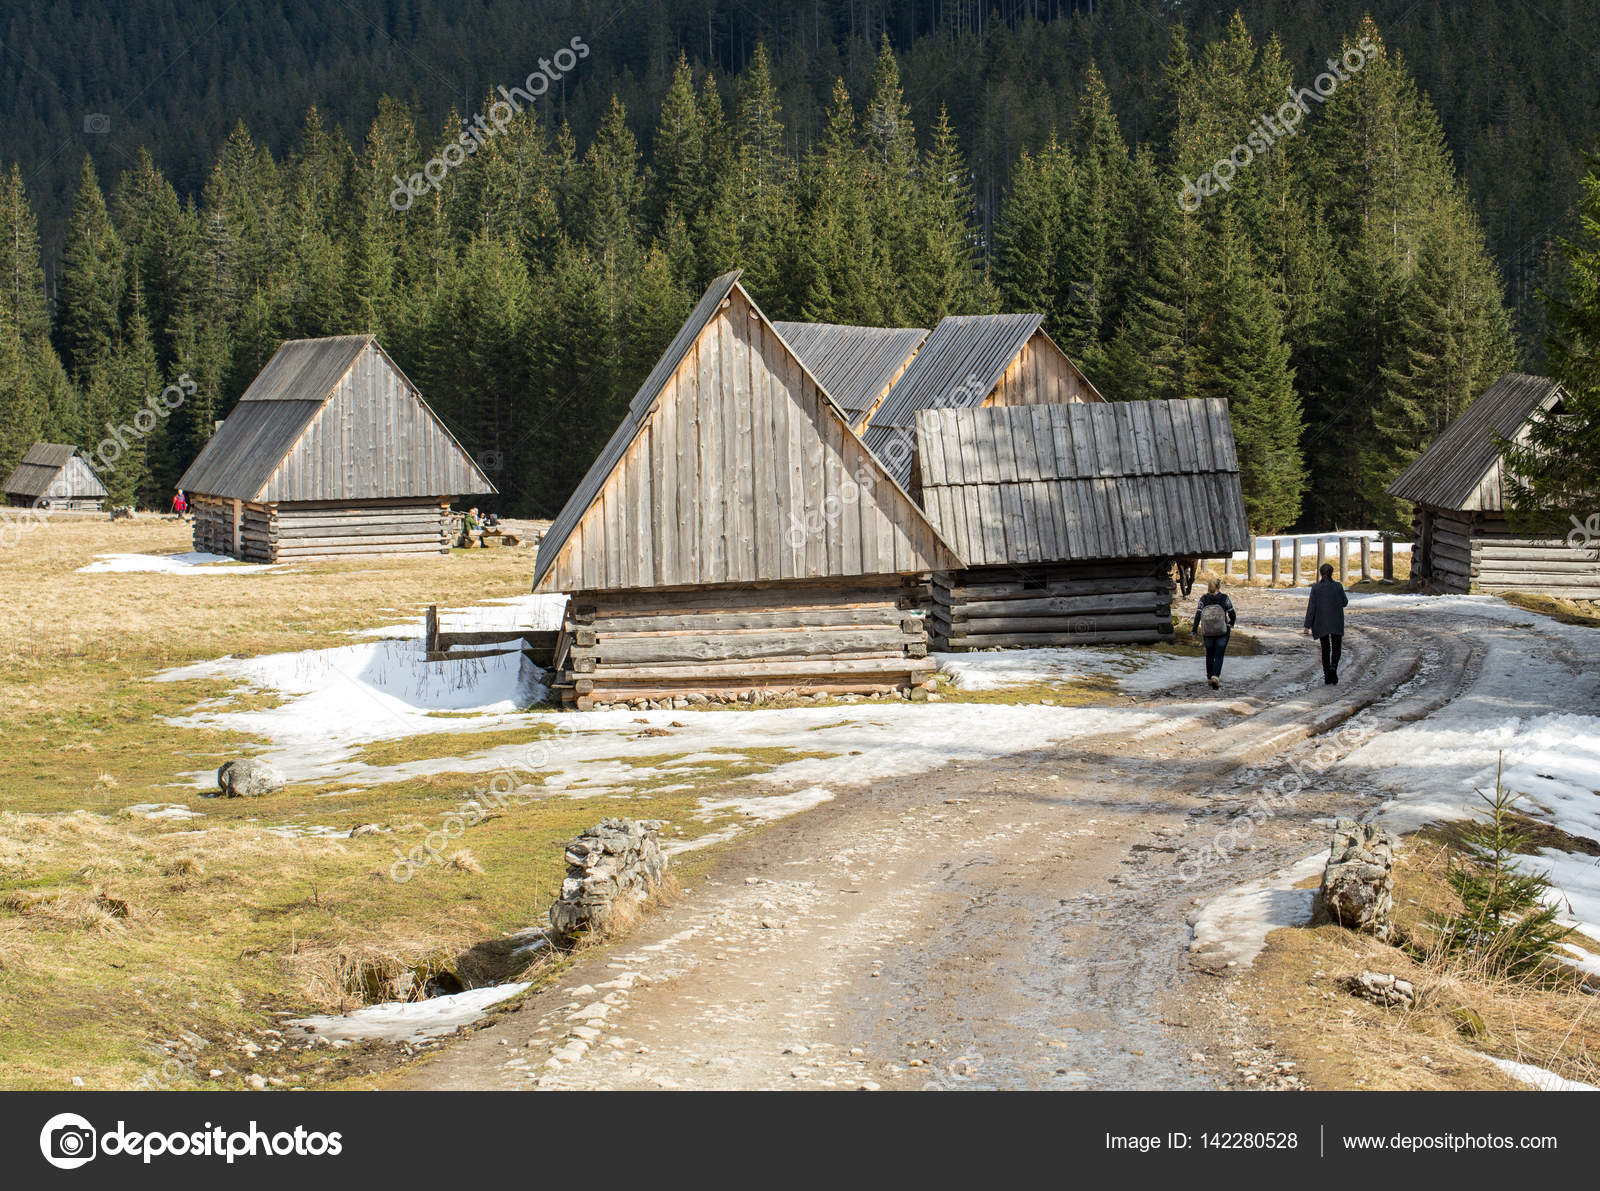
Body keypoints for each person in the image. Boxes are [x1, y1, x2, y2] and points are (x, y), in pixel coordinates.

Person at [1305, 562, 1349, 684]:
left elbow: (1311, 607)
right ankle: (1333, 667)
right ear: (1332, 573)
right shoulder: (1338, 586)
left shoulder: (1315, 588)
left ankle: (1327, 676)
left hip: (1320, 622)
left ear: (1320, 573)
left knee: (1325, 649)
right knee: (1336, 648)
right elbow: (1344, 602)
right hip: (1336, 621)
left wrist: (1307, 625)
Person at [1191, 579, 1236, 690]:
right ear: (1218, 587)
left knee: (1209, 655)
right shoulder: (1225, 598)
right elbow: (1232, 614)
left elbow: (1198, 615)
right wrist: (1231, 624)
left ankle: (1209, 677)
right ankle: (1215, 676)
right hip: (1222, 631)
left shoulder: (1203, 599)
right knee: (1219, 655)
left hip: (1208, 632)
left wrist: (1194, 630)